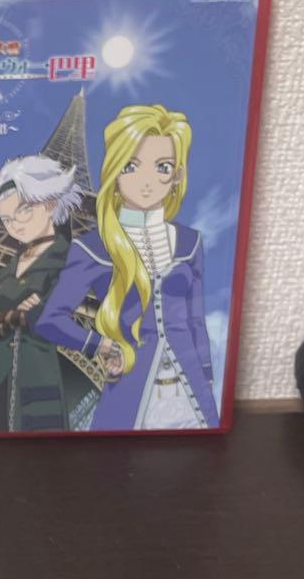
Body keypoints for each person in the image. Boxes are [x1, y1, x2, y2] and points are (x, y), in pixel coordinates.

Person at [35, 104, 218, 430]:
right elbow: (51, 320)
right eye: (131, 166)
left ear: (177, 176)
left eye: (162, 167)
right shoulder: (93, 247)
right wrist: (100, 345)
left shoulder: (190, 243)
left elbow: (195, 321)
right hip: (130, 395)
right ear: (114, 173)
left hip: (193, 396)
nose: (147, 181)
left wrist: (206, 373)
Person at [0, 155, 84, 433]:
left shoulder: (71, 259)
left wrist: (4, 320)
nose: (14, 225)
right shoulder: (3, 273)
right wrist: (12, 317)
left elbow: (53, 318)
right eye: (6, 219)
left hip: (40, 386)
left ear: (50, 203)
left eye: (24, 211)